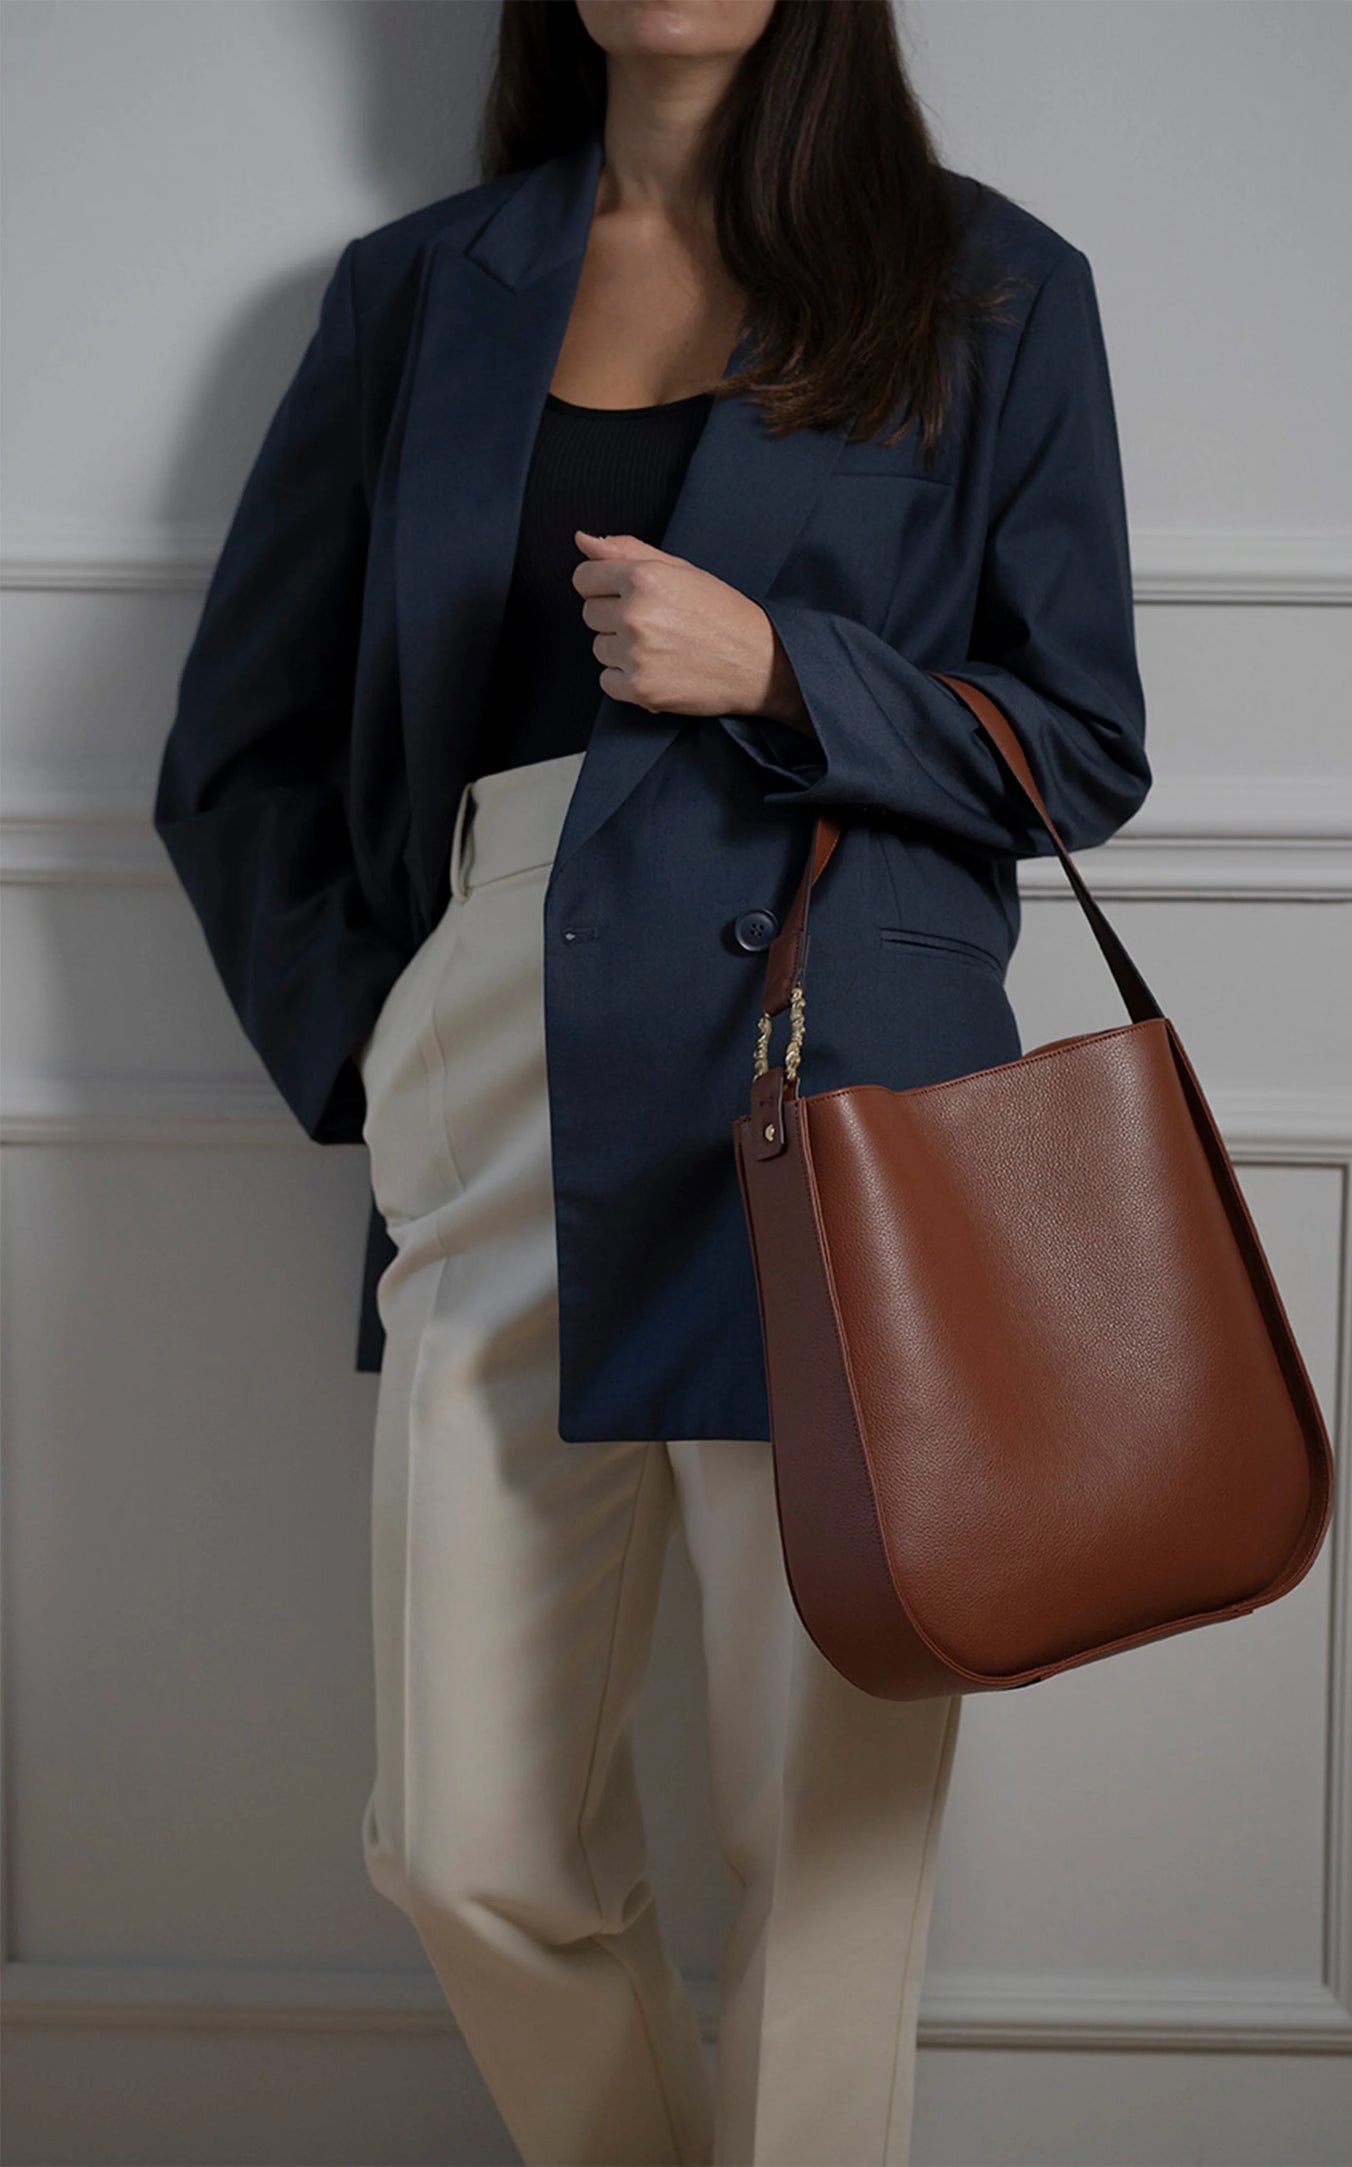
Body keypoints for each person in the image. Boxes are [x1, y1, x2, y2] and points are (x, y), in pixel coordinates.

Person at [153, 2, 1150, 2159]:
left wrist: (784, 669)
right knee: (463, 1841)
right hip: (497, 1077)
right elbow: (235, 752)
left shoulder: (987, 284)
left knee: (831, 1847)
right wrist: (381, 1056)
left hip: (845, 1093)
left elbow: (1078, 745)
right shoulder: (422, 289)